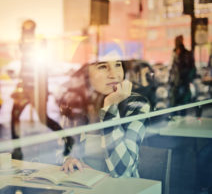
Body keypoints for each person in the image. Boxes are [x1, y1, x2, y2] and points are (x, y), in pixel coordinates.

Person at [60, 44, 151, 177]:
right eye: (102, 66)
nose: (114, 75)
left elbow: (123, 171)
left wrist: (110, 108)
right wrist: (68, 159)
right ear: (85, 74)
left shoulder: (137, 104)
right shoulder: (75, 105)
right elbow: (60, 148)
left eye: (118, 65)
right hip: (83, 186)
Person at [10, 19, 73, 159]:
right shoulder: (23, 44)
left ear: (33, 29)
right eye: (24, 29)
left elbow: (42, 67)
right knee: (14, 116)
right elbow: (24, 63)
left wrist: (43, 90)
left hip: (36, 88)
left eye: (29, 28)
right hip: (24, 87)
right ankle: (17, 149)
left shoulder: (39, 43)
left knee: (43, 119)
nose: (27, 31)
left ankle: (67, 139)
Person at [169, 35, 196, 116]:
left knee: (182, 102)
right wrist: (170, 79)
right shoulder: (174, 53)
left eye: (179, 41)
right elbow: (172, 67)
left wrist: (187, 79)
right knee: (174, 102)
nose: (177, 43)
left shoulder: (186, 54)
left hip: (183, 81)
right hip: (175, 82)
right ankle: (175, 117)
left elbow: (191, 68)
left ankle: (181, 118)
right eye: (176, 41)